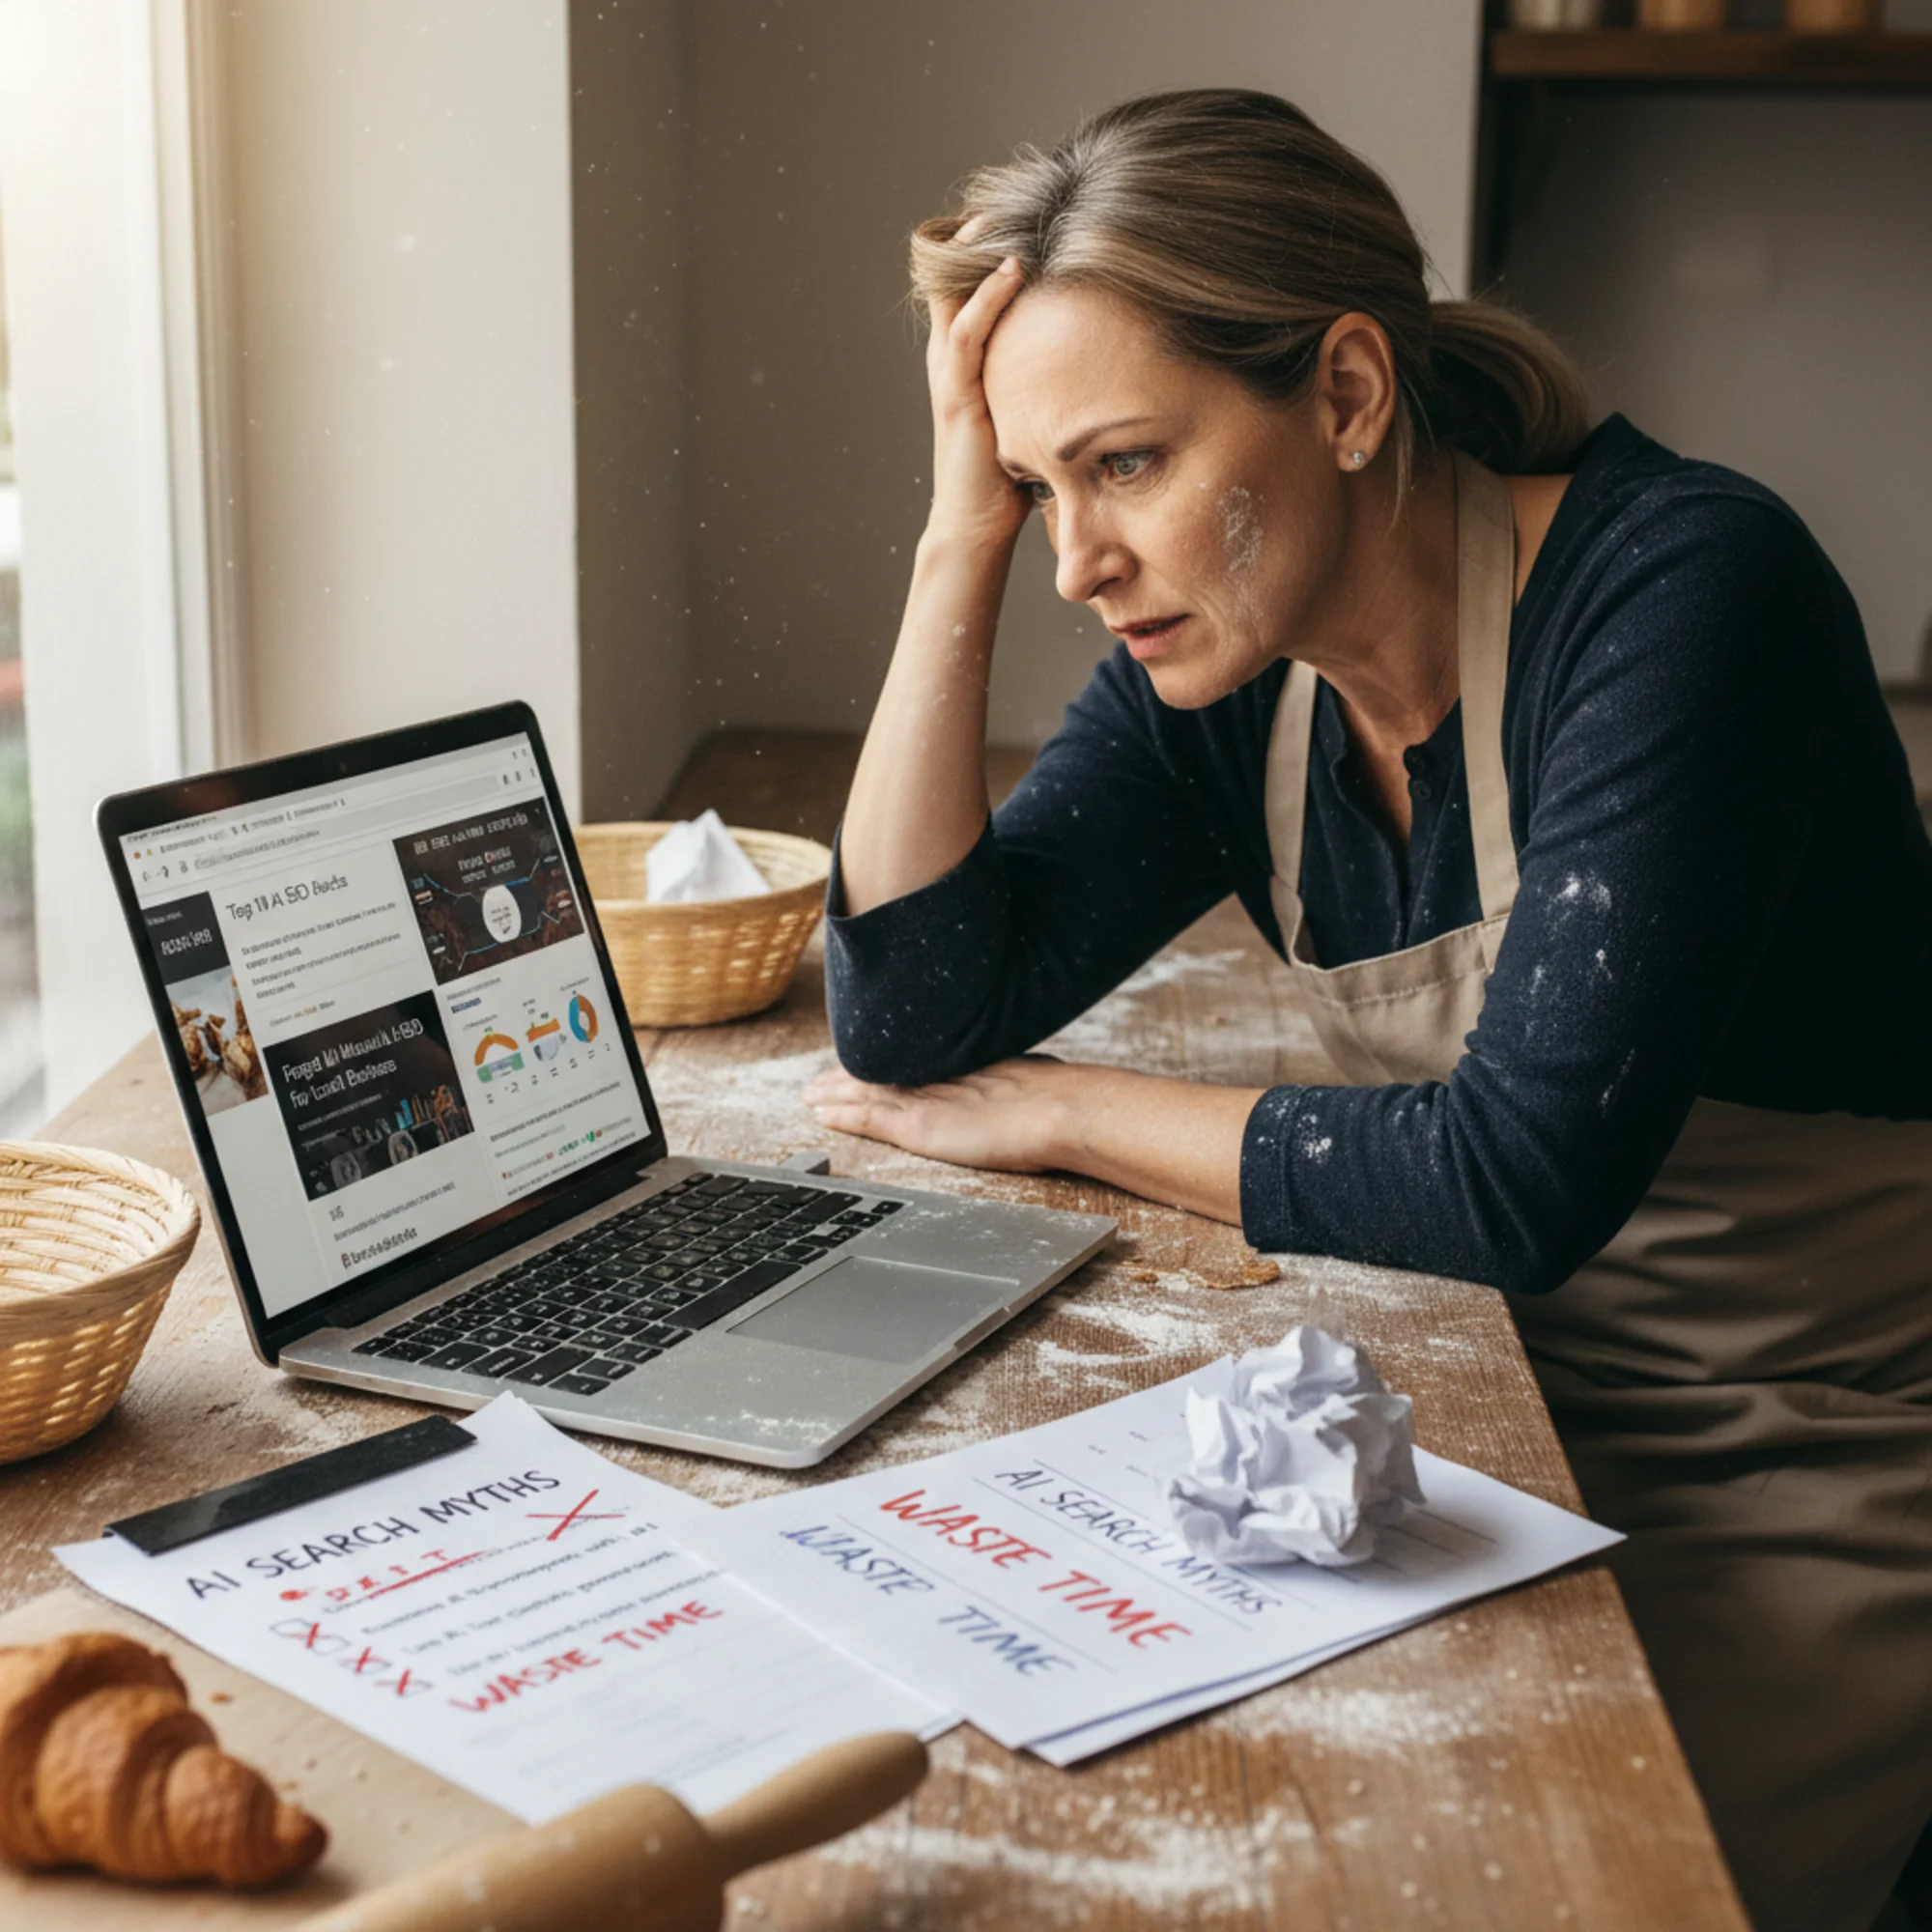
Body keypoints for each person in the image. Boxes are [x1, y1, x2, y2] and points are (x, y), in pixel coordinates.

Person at [802, 89, 1932, 1932]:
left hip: (1831, 1461)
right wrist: (957, 540)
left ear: (1342, 394)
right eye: (1038, 486)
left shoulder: (1683, 599)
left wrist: (1074, 1110)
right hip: (1513, 1415)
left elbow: (1512, 1182)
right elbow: (915, 1006)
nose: (1079, 562)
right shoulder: (1237, 675)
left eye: (1129, 467)